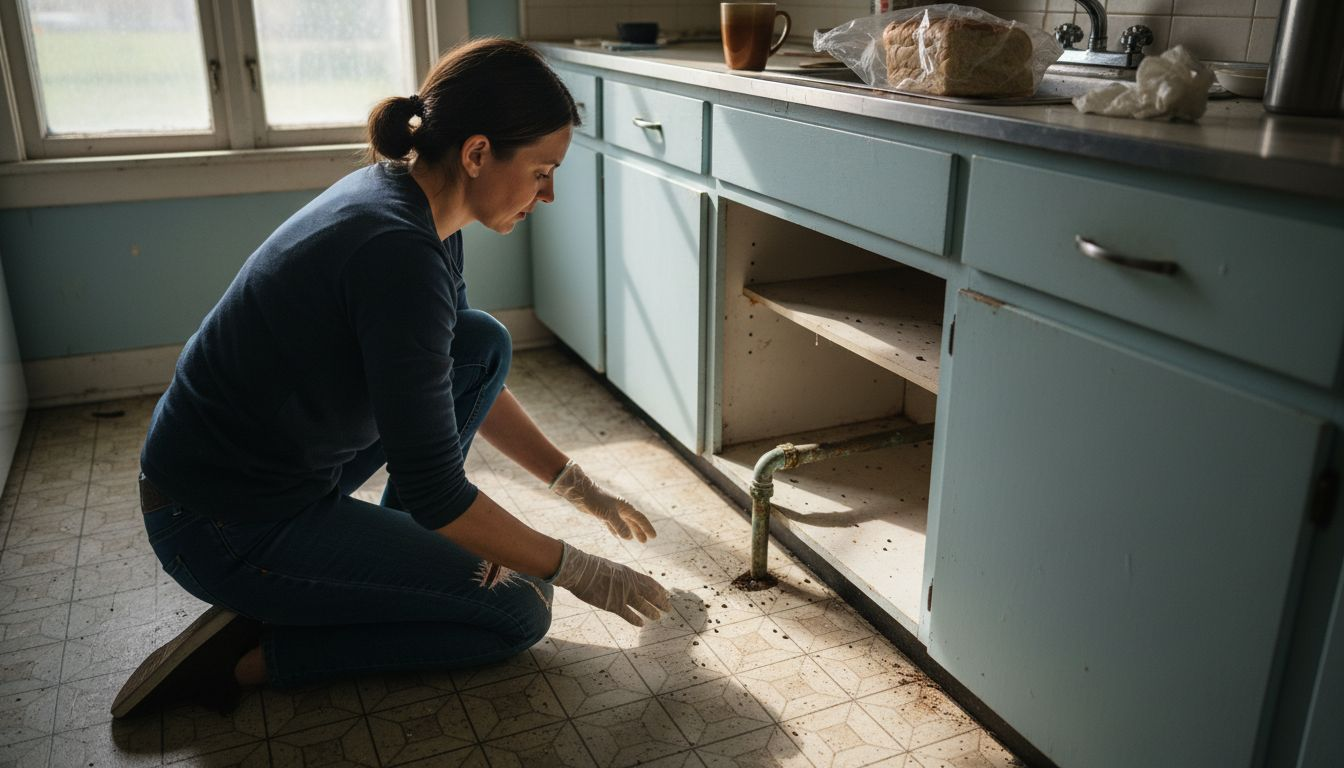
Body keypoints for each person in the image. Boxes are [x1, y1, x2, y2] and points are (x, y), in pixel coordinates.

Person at [111, 38, 671, 719]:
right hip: (220, 522)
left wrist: (575, 485)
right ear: (476, 153)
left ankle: (367, 574)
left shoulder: (418, 201)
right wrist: (578, 568)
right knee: (521, 609)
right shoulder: (397, 252)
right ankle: (255, 661)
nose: (548, 194)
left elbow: (456, 369)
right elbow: (438, 494)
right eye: (543, 170)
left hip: (265, 476)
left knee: (482, 344)